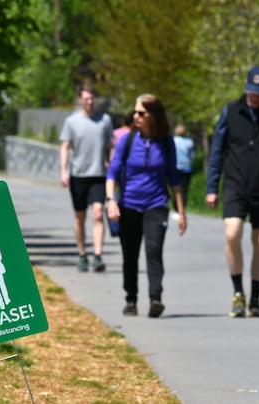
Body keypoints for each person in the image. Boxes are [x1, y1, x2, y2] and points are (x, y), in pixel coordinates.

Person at [205, 66, 259, 318]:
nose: (254, 97)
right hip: (236, 183)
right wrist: (212, 186)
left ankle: (255, 298)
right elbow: (217, 151)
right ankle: (237, 293)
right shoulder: (231, 111)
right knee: (232, 232)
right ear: (245, 86)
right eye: (251, 91)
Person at [106, 94, 187, 318]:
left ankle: (155, 298)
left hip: (156, 204)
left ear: (153, 115)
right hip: (129, 204)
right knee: (130, 254)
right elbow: (112, 172)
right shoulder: (128, 140)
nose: (136, 116)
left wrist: (181, 212)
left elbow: (174, 178)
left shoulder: (166, 142)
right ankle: (131, 299)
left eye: (141, 113)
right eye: (135, 112)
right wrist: (111, 200)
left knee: (153, 251)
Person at [60, 85, 113, 272]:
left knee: (98, 214)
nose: (90, 102)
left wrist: (111, 163)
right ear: (80, 100)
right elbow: (65, 147)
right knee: (80, 216)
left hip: (99, 174)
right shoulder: (71, 122)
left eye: (92, 99)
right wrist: (63, 171)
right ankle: (82, 254)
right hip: (78, 175)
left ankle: (97, 255)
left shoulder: (105, 120)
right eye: (86, 99)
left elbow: (110, 145)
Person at [171, 123, 195, 220]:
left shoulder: (173, 141)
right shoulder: (189, 142)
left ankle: (177, 209)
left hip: (175, 167)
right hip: (186, 167)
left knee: (175, 188)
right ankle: (182, 208)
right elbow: (192, 156)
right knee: (184, 189)